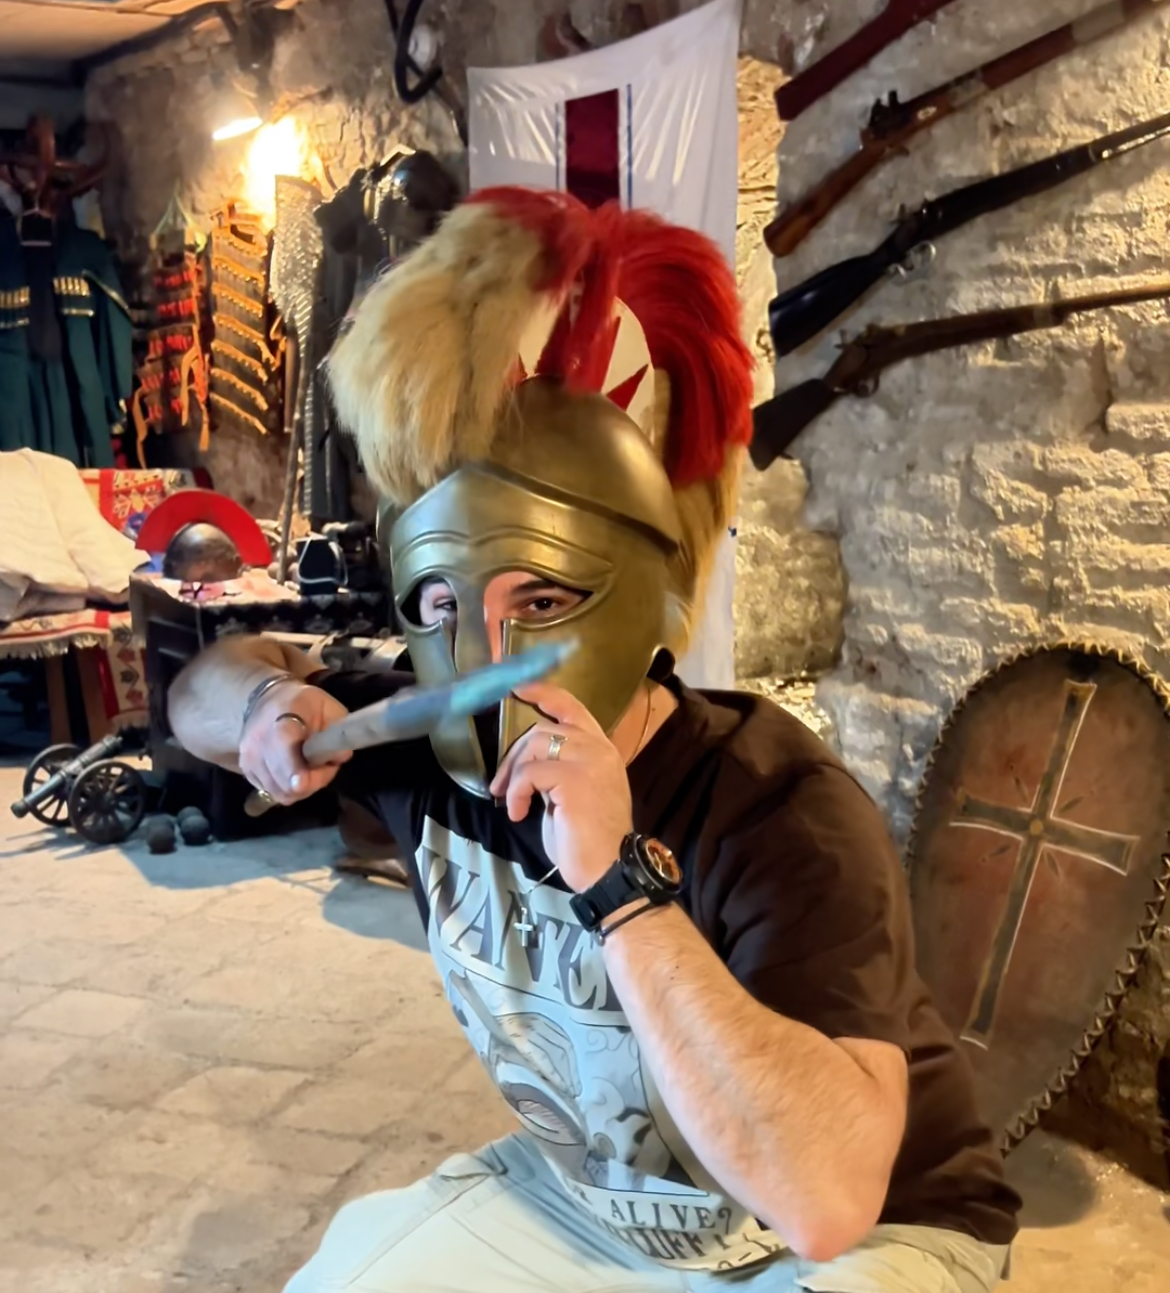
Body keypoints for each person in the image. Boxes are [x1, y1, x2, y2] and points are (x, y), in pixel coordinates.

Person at [168, 188, 1020, 1293]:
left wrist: (622, 887)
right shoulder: (415, 739)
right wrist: (265, 707)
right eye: (442, 605)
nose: (484, 657)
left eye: (542, 599)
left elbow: (827, 1196)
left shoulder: (778, 806)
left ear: (642, 590)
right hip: (604, 1199)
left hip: (876, 1232)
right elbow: (199, 691)